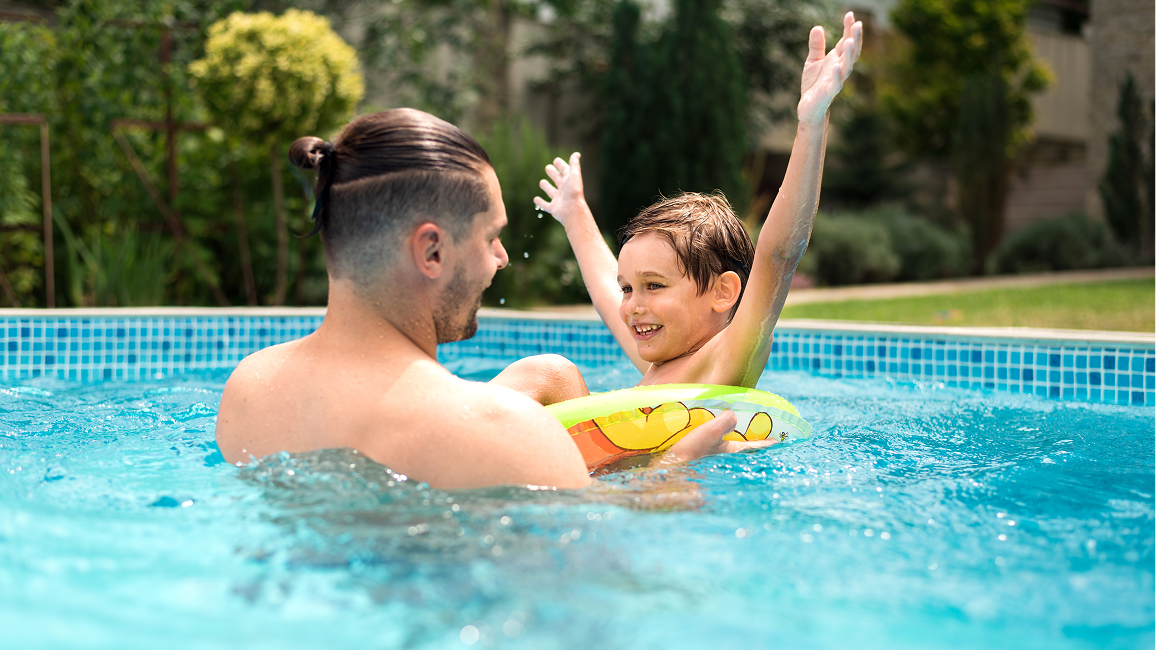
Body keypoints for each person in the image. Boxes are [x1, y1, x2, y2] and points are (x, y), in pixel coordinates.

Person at [214, 109, 761, 490]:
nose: (501, 258)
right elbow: (601, 593)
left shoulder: (247, 390)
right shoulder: (505, 433)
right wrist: (673, 474)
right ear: (431, 252)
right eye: (490, 237)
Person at [521, 13, 863, 394]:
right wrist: (574, 212)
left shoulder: (721, 362)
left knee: (551, 372)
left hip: (662, 453)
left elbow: (777, 255)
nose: (632, 305)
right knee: (547, 374)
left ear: (723, 293)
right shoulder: (659, 357)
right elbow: (604, 287)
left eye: (653, 285)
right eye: (629, 288)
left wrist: (811, 124)